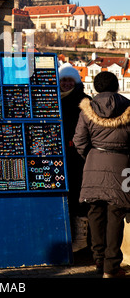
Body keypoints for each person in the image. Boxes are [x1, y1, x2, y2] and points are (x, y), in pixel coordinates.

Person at [73, 71, 130, 278]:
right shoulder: (128, 108)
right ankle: (111, 266)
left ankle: (98, 259)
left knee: (95, 212)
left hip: (93, 164)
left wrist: (91, 156)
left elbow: (79, 141)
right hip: (123, 167)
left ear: (96, 87)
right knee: (117, 214)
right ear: (116, 87)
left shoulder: (87, 109)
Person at [58, 62, 90, 252]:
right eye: (64, 80)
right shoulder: (53, 98)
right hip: (59, 154)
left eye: (70, 81)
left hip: (77, 156)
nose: (67, 84)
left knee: (78, 196)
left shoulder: (84, 101)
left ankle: (81, 239)